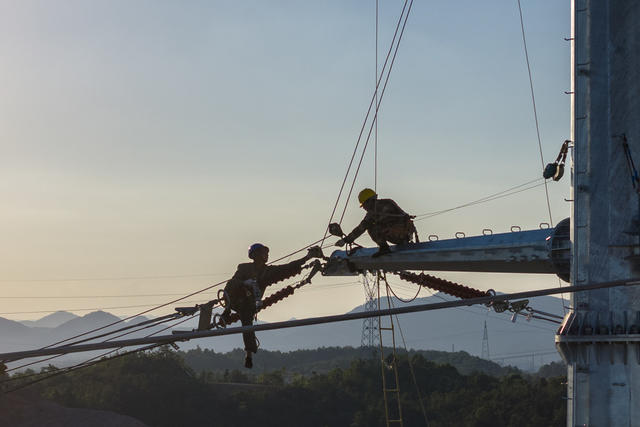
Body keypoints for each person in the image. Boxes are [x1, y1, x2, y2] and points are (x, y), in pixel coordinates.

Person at [223, 243, 324, 368]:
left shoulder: (268, 272)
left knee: (247, 322)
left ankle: (248, 355)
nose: (266, 255)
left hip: (249, 304)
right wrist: (244, 283)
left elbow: (287, 269)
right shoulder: (244, 268)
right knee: (232, 284)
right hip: (235, 300)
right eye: (263, 253)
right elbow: (233, 282)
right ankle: (226, 312)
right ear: (254, 255)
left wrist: (306, 258)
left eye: (266, 253)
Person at [336, 188, 418, 257]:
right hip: (407, 235)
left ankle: (384, 248)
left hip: (397, 235)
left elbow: (361, 228)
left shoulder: (372, 213)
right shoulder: (388, 202)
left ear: (369, 201)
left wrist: (346, 240)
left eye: (364, 204)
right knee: (377, 225)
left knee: (371, 227)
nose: (364, 207)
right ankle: (398, 243)